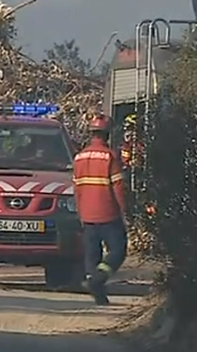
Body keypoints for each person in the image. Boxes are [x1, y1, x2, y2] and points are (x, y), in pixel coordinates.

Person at [72, 114, 128, 305]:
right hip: (108, 213)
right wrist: (124, 210)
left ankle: (97, 292)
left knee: (92, 254)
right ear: (107, 134)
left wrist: (80, 213)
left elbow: (77, 189)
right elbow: (118, 188)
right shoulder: (110, 156)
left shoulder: (79, 158)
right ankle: (98, 279)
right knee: (118, 250)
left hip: (87, 215)